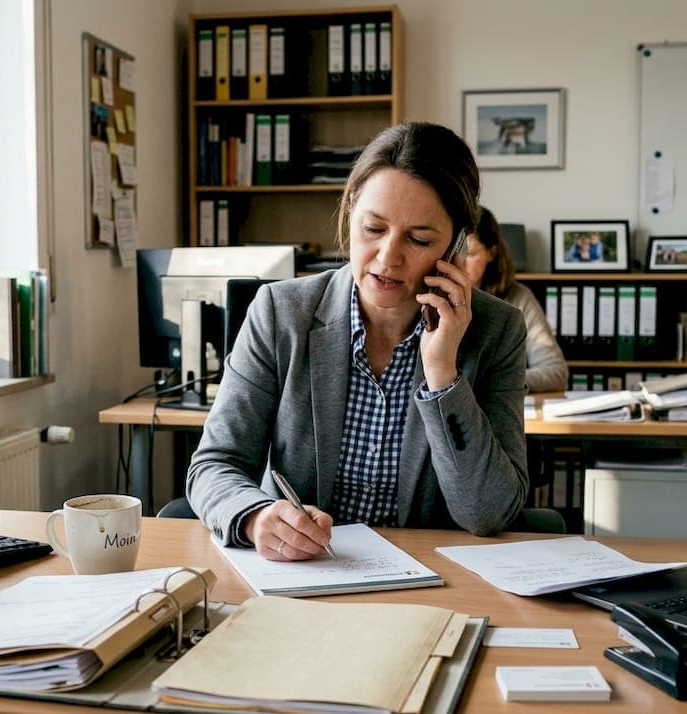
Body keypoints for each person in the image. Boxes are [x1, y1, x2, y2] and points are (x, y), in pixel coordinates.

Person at [187, 122, 529, 561]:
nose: (388, 257)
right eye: (373, 228)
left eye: (419, 239)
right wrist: (255, 516)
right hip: (305, 573)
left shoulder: (497, 330)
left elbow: (488, 512)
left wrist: (443, 375)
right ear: (350, 210)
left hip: (431, 583)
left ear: (455, 245)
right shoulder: (280, 313)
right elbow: (214, 465)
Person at [463, 207, 569, 394]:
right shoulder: (426, 298)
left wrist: (496, 383)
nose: (459, 262)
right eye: (453, 252)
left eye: (470, 254)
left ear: (491, 253)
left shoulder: (518, 298)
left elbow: (556, 371)